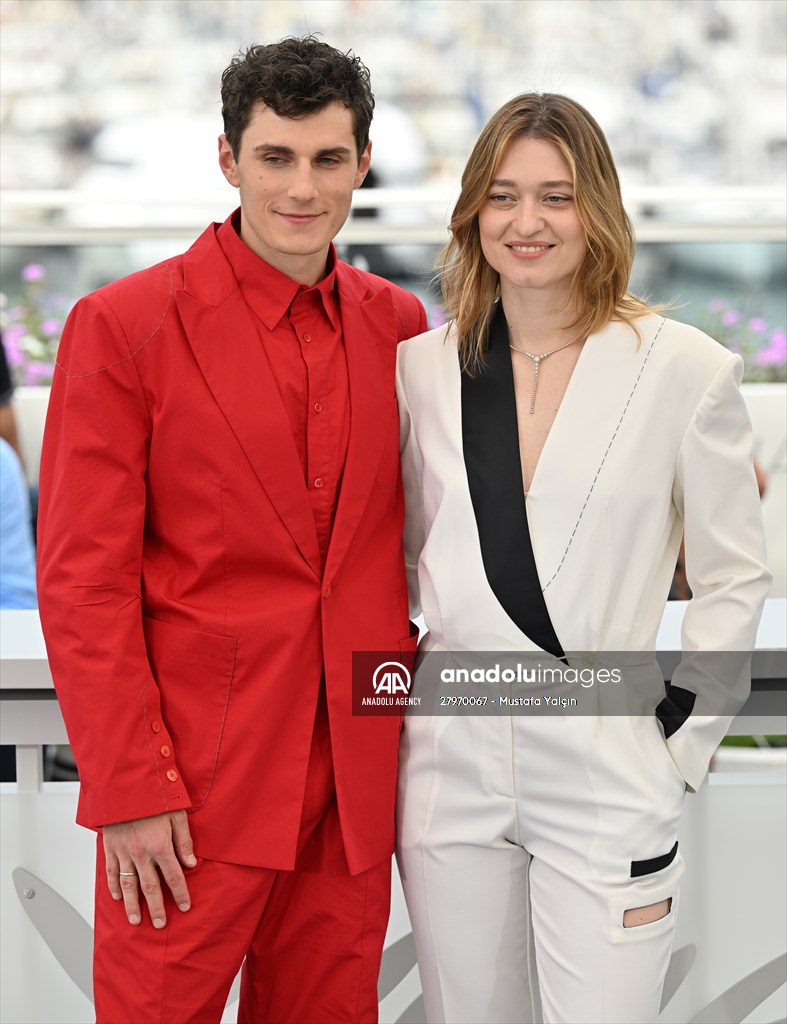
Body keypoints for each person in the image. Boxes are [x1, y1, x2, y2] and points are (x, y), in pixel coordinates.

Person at [37, 36, 426, 1024]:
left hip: (353, 783)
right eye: (276, 157)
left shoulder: (402, 328)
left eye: (328, 159)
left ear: (361, 165)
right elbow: (84, 579)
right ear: (228, 160)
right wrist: (127, 787)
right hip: (189, 794)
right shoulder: (122, 324)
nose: (303, 187)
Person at [395, 93, 770, 1024]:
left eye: (556, 197)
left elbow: (732, 575)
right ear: (472, 213)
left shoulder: (683, 368)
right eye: (503, 196)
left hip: (607, 753)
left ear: (596, 210)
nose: (527, 223)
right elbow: (399, 558)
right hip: (450, 752)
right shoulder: (418, 371)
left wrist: (678, 740)